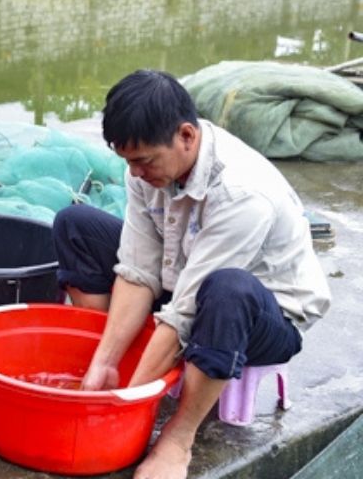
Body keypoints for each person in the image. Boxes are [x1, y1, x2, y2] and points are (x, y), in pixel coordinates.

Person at [52, 70, 331, 479]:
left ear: (186, 135)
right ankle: (114, 362)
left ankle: (178, 439)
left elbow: (186, 310)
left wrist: (123, 406)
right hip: (183, 275)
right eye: (128, 161)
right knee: (75, 224)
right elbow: (137, 268)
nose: (134, 174)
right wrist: (105, 364)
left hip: (263, 315)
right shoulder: (150, 168)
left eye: (143, 161)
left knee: (227, 290)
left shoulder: (242, 193)